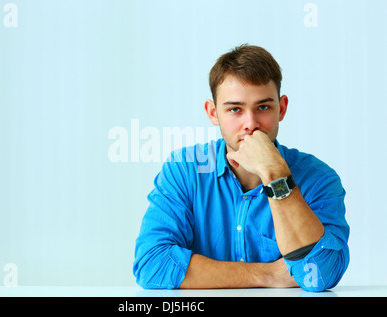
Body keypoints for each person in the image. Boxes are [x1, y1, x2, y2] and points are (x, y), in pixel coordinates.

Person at [132, 44, 350, 292]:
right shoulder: (183, 170)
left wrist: (275, 174)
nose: (251, 124)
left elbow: (319, 276)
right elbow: (152, 265)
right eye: (235, 109)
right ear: (213, 113)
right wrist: (268, 275)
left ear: (282, 108)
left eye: (263, 107)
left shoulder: (319, 178)